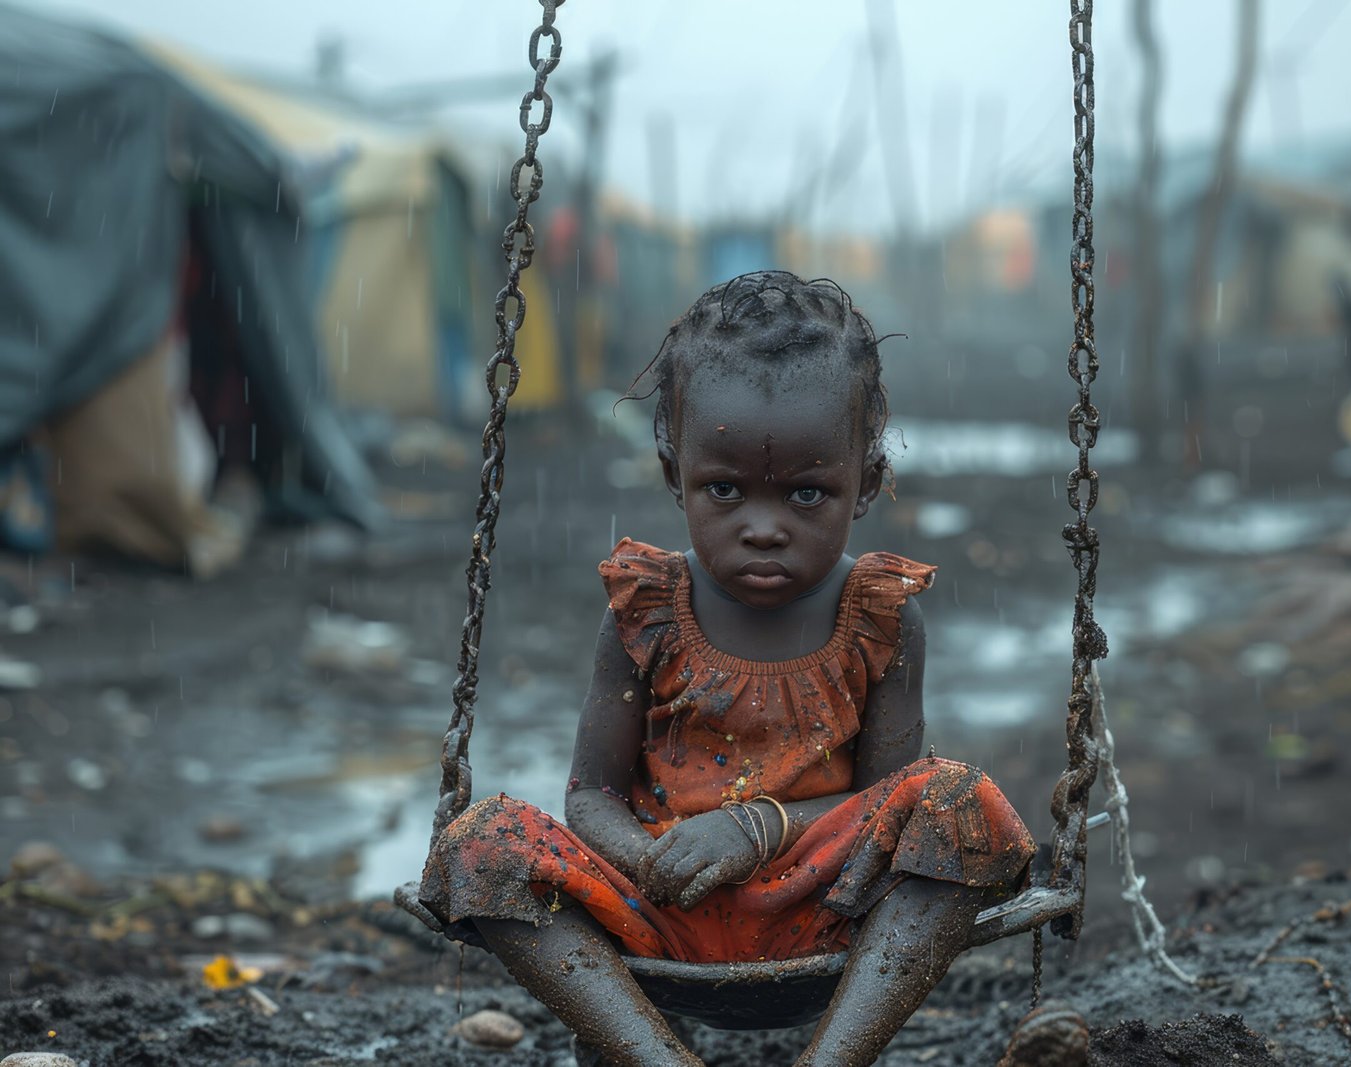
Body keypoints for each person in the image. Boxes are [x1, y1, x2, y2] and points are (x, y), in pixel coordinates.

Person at [419, 271, 1035, 1066]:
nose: (764, 527)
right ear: (676, 478)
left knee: (958, 800)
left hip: (824, 908)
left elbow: (890, 808)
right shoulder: (647, 611)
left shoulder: (880, 616)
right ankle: (657, 1056)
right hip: (659, 907)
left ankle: (832, 1059)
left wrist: (761, 825)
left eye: (808, 492)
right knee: (485, 840)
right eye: (724, 489)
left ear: (867, 486)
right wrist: (649, 857)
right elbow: (589, 794)